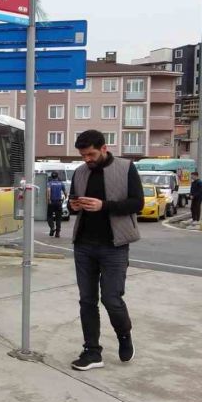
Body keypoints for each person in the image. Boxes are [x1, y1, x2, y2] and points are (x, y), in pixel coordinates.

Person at [67, 130, 144, 371]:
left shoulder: (126, 168)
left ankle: (124, 335)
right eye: (82, 155)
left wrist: (104, 206)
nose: (86, 159)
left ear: (103, 148)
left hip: (114, 245)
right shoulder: (80, 172)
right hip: (84, 245)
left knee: (111, 298)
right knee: (87, 300)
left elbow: (137, 203)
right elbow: (72, 204)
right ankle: (92, 351)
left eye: (90, 154)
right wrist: (73, 205)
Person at [46, 171, 67, 237]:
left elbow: (48, 191)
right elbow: (65, 192)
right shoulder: (61, 183)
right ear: (57, 176)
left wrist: (48, 199)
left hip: (51, 202)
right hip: (58, 202)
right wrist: (65, 199)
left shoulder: (49, 183)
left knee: (49, 216)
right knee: (58, 218)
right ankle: (57, 233)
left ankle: (52, 227)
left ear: (51, 176)